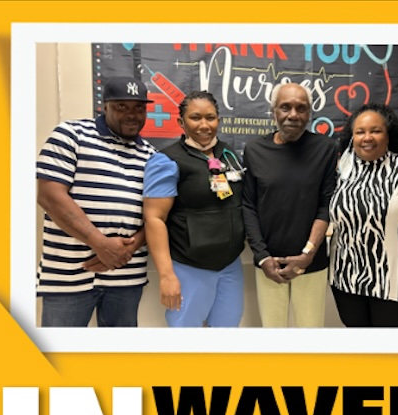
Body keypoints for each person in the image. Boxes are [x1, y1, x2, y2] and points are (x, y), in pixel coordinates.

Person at [36, 76, 156, 327]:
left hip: (126, 277)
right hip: (68, 277)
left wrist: (127, 249)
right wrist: (99, 243)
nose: (131, 115)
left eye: (139, 108)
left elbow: (156, 215)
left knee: (117, 361)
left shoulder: (152, 155)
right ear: (104, 106)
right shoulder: (71, 135)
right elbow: (49, 196)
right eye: (121, 107)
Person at [143, 91, 246, 327]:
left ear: (219, 120)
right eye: (195, 117)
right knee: (186, 345)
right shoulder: (167, 161)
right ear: (181, 122)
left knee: (226, 338)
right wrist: (167, 275)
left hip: (230, 266)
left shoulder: (228, 154)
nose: (204, 125)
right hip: (189, 267)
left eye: (210, 117)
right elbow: (154, 218)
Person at [242, 83, 338, 327]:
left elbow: (325, 205)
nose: (293, 115)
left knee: (310, 333)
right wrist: (263, 257)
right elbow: (248, 206)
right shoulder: (254, 150)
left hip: (311, 263)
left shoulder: (325, 149)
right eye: (285, 107)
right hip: (269, 265)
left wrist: (307, 254)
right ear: (273, 111)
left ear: (309, 114)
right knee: (273, 336)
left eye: (301, 108)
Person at [329, 103, 398, 327]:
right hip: (346, 279)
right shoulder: (341, 169)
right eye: (360, 132)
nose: (367, 137)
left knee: (393, 356)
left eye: (376, 131)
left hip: (395, 283)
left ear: (389, 135)